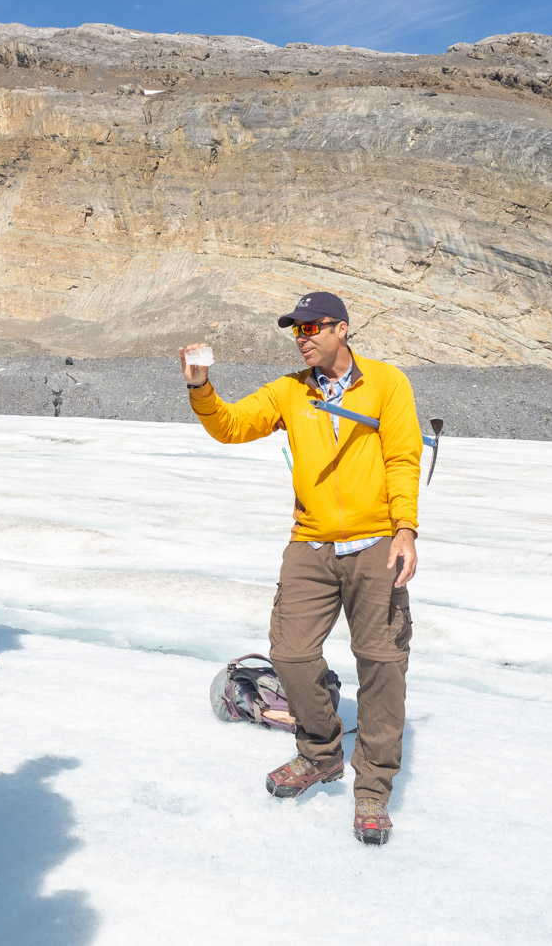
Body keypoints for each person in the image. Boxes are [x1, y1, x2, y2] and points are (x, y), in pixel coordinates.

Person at [181, 291, 422, 844]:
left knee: (381, 664)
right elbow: (232, 425)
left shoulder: (387, 383)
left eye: (313, 328)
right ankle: (320, 753)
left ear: (342, 329)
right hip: (311, 544)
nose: (303, 337)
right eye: (297, 330)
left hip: (376, 543)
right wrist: (200, 387)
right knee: (290, 652)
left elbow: (403, 456)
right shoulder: (290, 390)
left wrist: (406, 528)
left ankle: (373, 789)